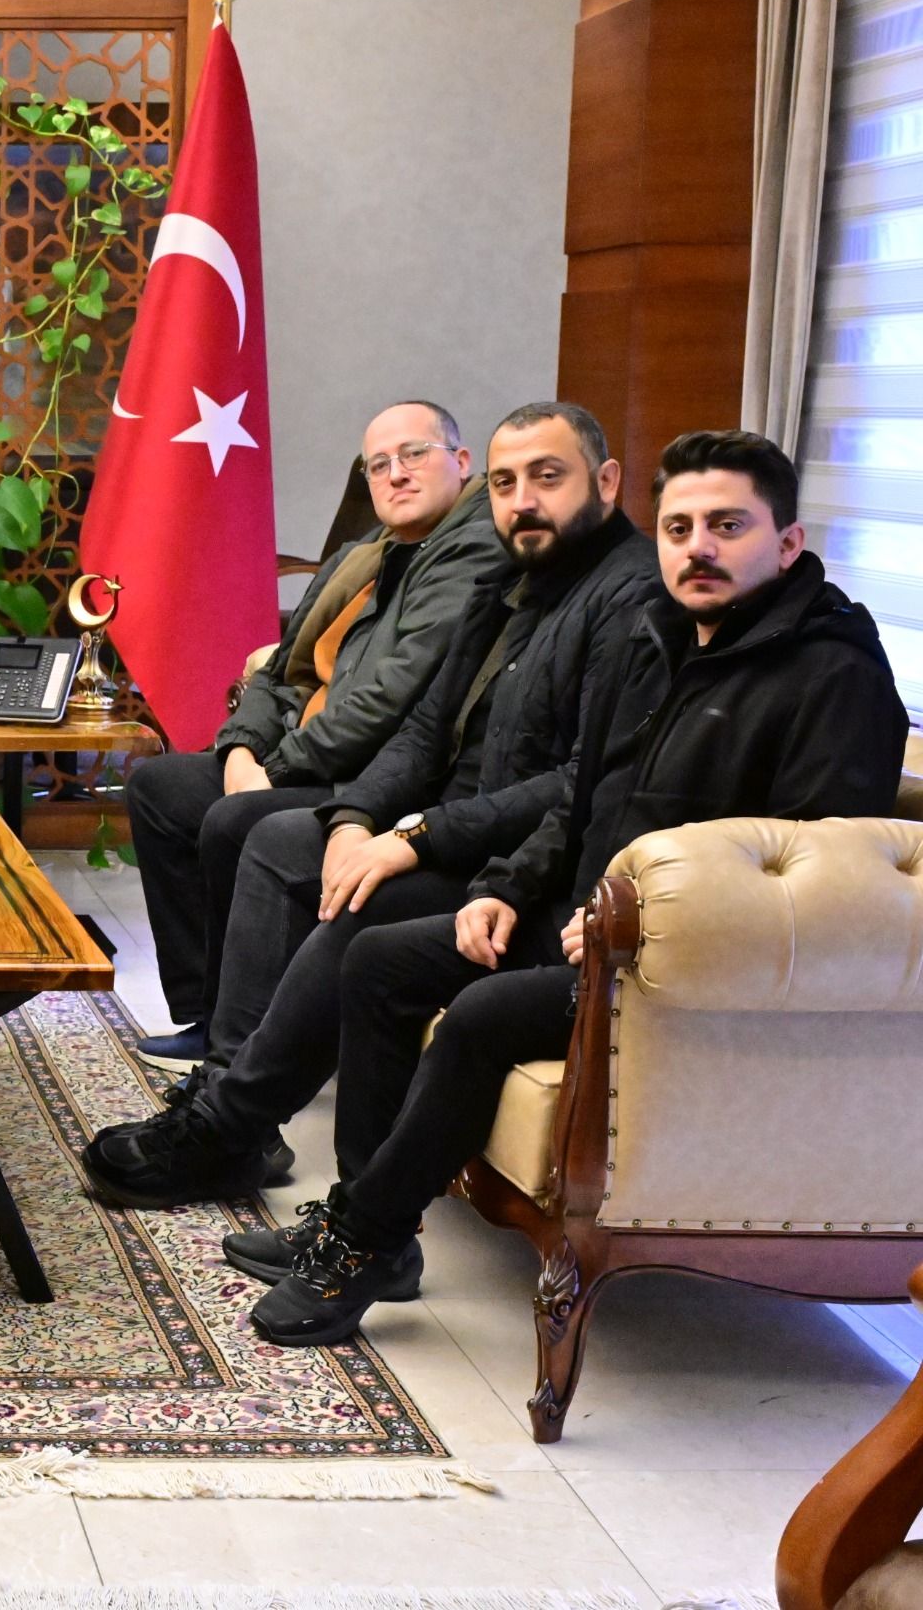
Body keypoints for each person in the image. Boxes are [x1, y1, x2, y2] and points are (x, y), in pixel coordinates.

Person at [238, 430, 909, 1347]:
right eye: (679, 528)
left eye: (728, 526)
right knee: (381, 959)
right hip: (582, 924)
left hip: (680, 968)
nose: (698, 549)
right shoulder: (657, 638)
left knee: (481, 1015)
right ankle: (372, 1223)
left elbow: (805, 892)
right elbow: (582, 795)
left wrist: (634, 926)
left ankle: (362, 1241)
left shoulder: (837, 677)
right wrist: (506, 888)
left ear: (788, 543)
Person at [81, 402, 658, 1210]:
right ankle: (228, 1107)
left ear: (606, 481)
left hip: (531, 869)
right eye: (507, 483)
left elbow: (577, 783)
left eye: (547, 477)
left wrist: (413, 836)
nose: (523, 500)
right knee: (301, 845)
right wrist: (354, 819)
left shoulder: (631, 598)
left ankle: (229, 1129)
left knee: (349, 893)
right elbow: (423, 730)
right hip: (461, 836)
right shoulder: (513, 575)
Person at [125, 400, 508, 1065]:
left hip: (370, 778)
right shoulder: (364, 554)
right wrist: (241, 749)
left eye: (414, 454)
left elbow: (388, 703)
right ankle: (206, 1010)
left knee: (234, 820)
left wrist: (272, 772)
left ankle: (251, 1041)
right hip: (299, 753)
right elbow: (281, 668)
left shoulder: (473, 552)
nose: (396, 474)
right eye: (378, 465)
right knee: (159, 788)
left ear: (462, 461)